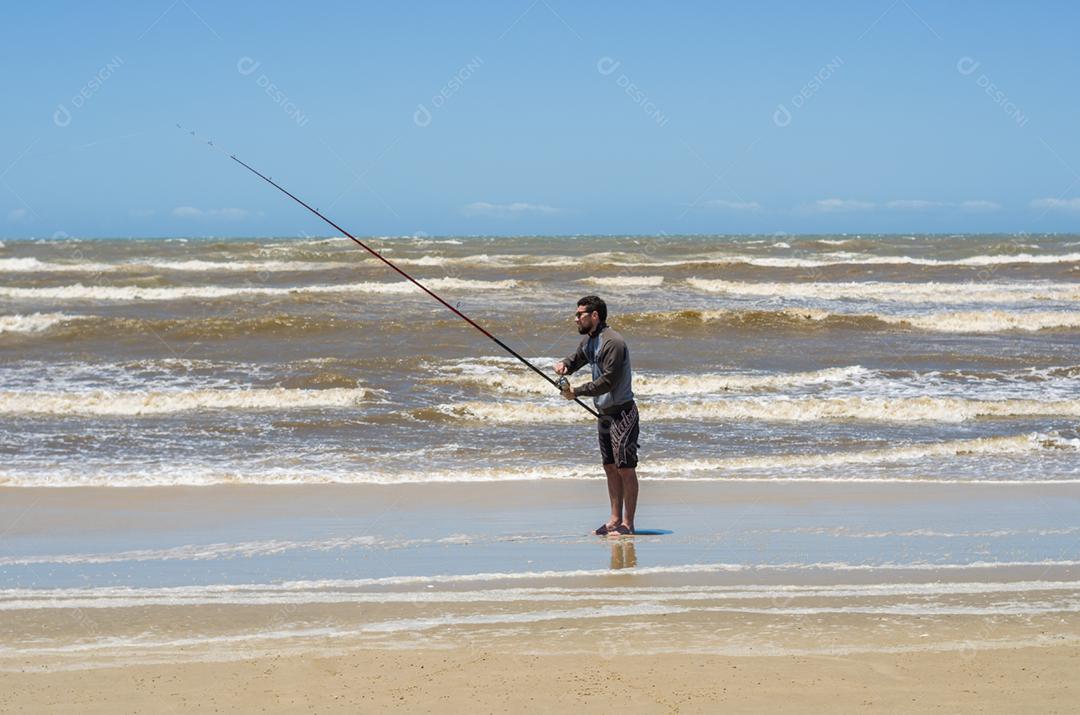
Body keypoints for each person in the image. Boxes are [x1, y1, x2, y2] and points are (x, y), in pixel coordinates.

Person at [553, 295, 640, 535]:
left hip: (623, 413)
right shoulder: (590, 341)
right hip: (603, 415)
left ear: (595, 315)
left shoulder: (614, 342)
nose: (576, 318)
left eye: (579, 314)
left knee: (626, 468)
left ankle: (627, 524)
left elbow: (608, 381)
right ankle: (614, 520)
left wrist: (577, 392)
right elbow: (578, 358)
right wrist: (565, 365)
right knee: (610, 467)